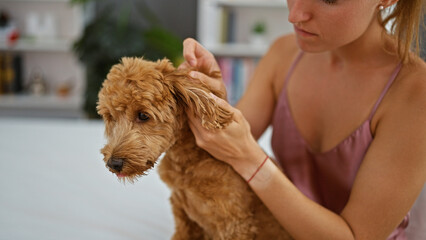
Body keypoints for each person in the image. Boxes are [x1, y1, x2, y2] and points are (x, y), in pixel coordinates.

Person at [179, 0, 426, 239]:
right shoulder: (283, 54)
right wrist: (209, 100)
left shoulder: (415, 92)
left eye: (329, 0)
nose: (295, 15)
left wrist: (251, 160)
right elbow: (218, 153)